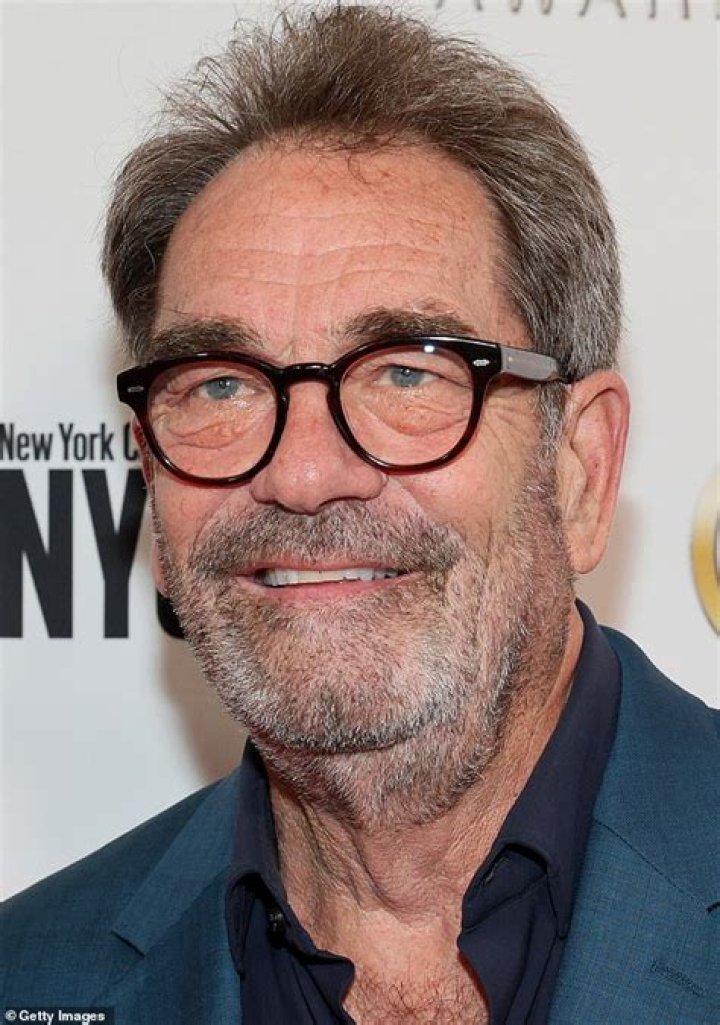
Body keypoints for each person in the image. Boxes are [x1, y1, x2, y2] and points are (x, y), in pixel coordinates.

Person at [2, 6, 718, 1024]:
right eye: (220, 385)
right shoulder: (31, 974)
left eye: (406, 372)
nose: (301, 473)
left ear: (580, 468)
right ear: (151, 476)